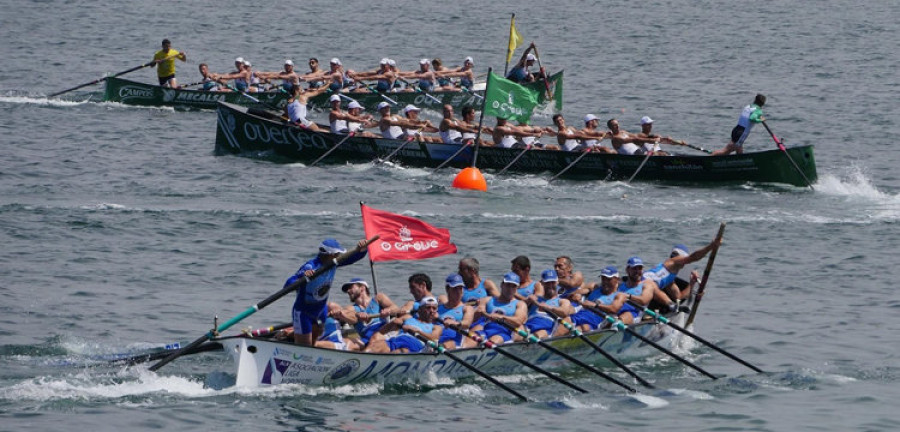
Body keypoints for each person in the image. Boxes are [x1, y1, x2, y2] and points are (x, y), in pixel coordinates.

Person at [284, 238, 368, 346]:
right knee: (304, 346)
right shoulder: (310, 266)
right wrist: (303, 277)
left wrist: (363, 249)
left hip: (320, 310)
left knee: (313, 343)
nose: (339, 256)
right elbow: (288, 284)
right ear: (329, 255)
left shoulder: (333, 263)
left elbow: (353, 258)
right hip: (303, 312)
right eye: (337, 254)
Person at [643, 237, 721, 305]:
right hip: (641, 283)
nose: (673, 257)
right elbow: (694, 257)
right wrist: (711, 246)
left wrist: (691, 283)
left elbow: (679, 297)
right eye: (673, 255)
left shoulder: (669, 279)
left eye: (676, 255)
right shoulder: (672, 262)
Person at [332, 277, 399, 347]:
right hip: (366, 340)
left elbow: (396, 308)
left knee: (397, 322)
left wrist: (388, 310)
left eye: (351, 287)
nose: (348, 291)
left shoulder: (378, 298)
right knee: (347, 336)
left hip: (383, 333)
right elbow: (345, 312)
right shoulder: (351, 308)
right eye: (347, 289)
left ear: (362, 288)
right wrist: (338, 313)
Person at [365, 296, 443, 353]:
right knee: (376, 345)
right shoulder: (407, 317)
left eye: (434, 308)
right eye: (428, 307)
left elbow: (433, 338)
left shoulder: (436, 327)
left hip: (415, 344)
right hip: (398, 339)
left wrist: (418, 331)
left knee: (399, 352)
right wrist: (392, 323)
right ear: (420, 310)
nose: (431, 310)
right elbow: (382, 332)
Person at [570, 266, 636, 330]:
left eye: (608, 279)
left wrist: (595, 305)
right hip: (581, 315)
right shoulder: (595, 287)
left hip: (597, 322)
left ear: (617, 279)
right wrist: (577, 295)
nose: (605, 282)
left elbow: (613, 309)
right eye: (603, 278)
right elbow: (572, 294)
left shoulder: (619, 295)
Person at [471, 272, 528, 344]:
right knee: (469, 340)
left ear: (516, 288)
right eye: (508, 285)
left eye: (513, 286)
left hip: (505, 332)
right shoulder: (487, 300)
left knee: (494, 340)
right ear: (502, 285)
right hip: (486, 330)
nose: (510, 289)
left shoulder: (520, 304)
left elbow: (518, 321)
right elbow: (478, 312)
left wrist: (500, 317)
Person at [523, 269, 576, 338]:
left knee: (539, 334)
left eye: (552, 282)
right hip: (528, 325)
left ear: (557, 282)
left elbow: (565, 312)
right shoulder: (535, 298)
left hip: (545, 328)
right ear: (542, 283)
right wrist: (527, 301)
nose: (550, 285)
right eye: (547, 283)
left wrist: (549, 308)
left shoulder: (562, 301)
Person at [436, 273, 477, 349]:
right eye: (455, 289)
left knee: (446, 345)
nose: (458, 292)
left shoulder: (467, 308)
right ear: (447, 289)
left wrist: (456, 323)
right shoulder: (438, 308)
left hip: (454, 340)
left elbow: (467, 323)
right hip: (436, 338)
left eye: (460, 288)